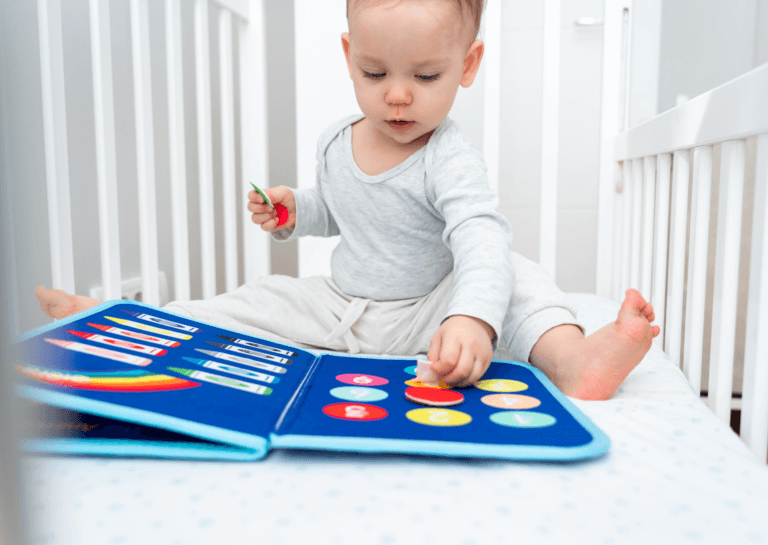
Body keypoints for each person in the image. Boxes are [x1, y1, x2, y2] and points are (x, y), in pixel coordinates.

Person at [36, 0, 659, 401]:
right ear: (348, 57)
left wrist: (470, 317)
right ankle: (123, 320)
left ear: (467, 66)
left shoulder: (450, 156)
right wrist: (293, 211)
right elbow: (341, 209)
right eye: (375, 72)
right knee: (256, 299)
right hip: (342, 307)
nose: (397, 97)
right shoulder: (336, 139)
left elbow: (478, 237)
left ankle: (575, 360)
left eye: (425, 76)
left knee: (518, 279)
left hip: (429, 308)